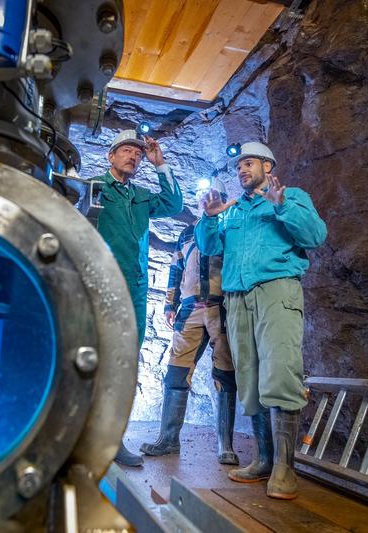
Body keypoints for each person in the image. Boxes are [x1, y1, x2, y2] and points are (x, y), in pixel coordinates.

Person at [195, 142, 326, 499]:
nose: (242, 170)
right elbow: (208, 247)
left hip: (276, 291)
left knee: (281, 372)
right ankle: (264, 459)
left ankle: (285, 468)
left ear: (268, 166)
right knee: (249, 378)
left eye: (249, 163)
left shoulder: (292, 196)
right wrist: (208, 217)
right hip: (237, 299)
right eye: (239, 166)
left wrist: (282, 206)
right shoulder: (233, 210)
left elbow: (315, 236)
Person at [93, 129, 183, 467]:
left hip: (136, 287)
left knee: (125, 364)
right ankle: (84, 436)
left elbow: (174, 204)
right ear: (111, 156)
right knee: (96, 359)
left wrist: (161, 165)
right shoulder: (95, 188)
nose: (133, 156)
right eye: (126, 151)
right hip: (102, 283)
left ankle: (113, 441)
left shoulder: (142, 196)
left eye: (138, 154)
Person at [140, 202, 239, 465]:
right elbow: (176, 269)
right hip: (190, 308)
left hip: (222, 307)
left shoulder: (230, 229)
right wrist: (169, 304)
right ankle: (168, 439)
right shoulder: (186, 233)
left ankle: (225, 445)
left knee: (225, 374)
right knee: (176, 372)